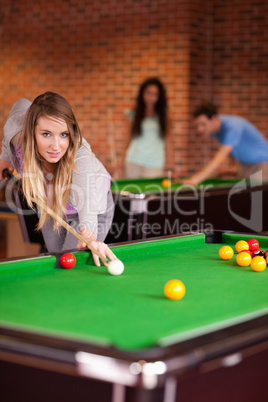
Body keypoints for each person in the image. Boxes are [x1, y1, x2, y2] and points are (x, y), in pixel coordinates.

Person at [0, 92, 117, 266]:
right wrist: (5, 159)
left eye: (64, 134)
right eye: (46, 134)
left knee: (67, 264)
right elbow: (21, 102)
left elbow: (86, 196)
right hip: (51, 204)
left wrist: (89, 235)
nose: (56, 146)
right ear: (31, 131)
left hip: (90, 207)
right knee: (55, 260)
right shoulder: (16, 129)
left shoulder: (79, 153)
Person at [181, 101, 268, 185]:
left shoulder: (232, 126)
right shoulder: (216, 131)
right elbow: (233, 149)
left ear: (214, 118)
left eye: (203, 124)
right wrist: (234, 167)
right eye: (197, 125)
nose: (199, 129)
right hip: (244, 165)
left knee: (258, 199)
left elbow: (220, 156)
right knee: (245, 198)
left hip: (262, 164)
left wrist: (196, 179)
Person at [119, 77, 171, 178]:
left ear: (159, 97)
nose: (151, 97)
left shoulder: (164, 116)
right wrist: (120, 161)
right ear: (142, 93)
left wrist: (171, 165)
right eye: (148, 93)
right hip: (133, 161)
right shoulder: (132, 114)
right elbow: (127, 139)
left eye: (155, 94)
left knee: (153, 193)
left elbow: (169, 140)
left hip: (154, 164)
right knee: (130, 193)